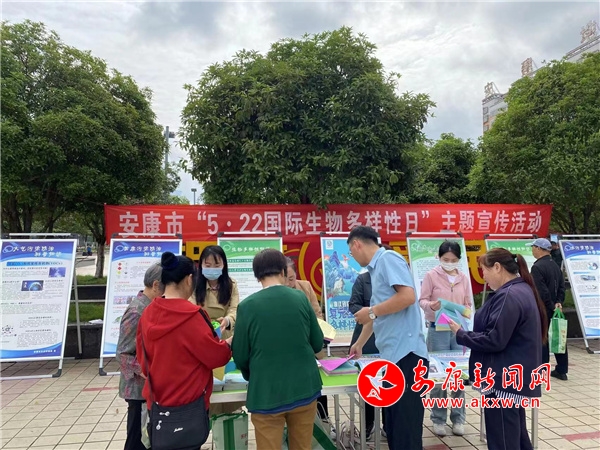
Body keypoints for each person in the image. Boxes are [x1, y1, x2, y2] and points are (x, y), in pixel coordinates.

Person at [448, 248, 548, 450]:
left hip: (502, 381)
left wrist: (461, 334)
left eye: (484, 270)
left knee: (502, 439)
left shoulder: (508, 296)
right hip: (512, 378)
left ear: (497, 267)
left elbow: (494, 339)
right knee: (516, 436)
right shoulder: (521, 289)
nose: (483, 276)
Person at [232, 249, 324, 450]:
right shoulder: (300, 298)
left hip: (266, 393)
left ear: (257, 276)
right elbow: (317, 343)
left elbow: (240, 355)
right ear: (283, 271)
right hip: (304, 388)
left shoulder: (247, 306)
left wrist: (252, 374)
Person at [348, 226, 429, 450]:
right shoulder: (375, 270)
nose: (353, 258)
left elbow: (408, 296)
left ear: (357, 244)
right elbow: (378, 313)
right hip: (393, 358)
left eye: (351, 253)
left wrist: (371, 311)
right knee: (393, 427)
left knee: (406, 430)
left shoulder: (388, 259)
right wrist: (359, 343)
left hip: (407, 356)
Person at [136, 252, 232, 438]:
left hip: (158, 404)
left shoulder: (147, 313)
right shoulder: (193, 316)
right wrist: (229, 343)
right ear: (189, 279)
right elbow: (215, 357)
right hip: (189, 405)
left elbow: (143, 360)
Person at [419, 241, 471, 437]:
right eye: (446, 259)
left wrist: (466, 311)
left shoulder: (463, 278)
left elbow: (467, 303)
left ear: (459, 260)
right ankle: (438, 419)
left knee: (459, 374)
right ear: (439, 258)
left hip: (458, 330)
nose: (449, 263)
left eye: (453, 260)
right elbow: (422, 300)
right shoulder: (431, 275)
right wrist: (430, 306)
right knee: (439, 375)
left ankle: (458, 418)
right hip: (437, 328)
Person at [116, 264, 164, 450]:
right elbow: (122, 354)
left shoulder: (150, 307)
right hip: (137, 390)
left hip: (149, 388)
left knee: (147, 439)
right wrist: (147, 370)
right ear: (156, 285)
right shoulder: (137, 311)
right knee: (137, 440)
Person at [348, 270, 387, 440]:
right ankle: (368, 424)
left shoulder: (394, 282)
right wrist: (371, 312)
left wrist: (378, 311)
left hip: (388, 335)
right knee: (369, 383)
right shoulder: (363, 279)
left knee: (389, 382)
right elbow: (353, 305)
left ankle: (388, 425)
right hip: (367, 338)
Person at [528, 238, 568, 381]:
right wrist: (558, 302)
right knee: (559, 338)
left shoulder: (537, 267)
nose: (532, 250)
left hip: (544, 309)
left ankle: (542, 370)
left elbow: (541, 291)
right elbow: (562, 287)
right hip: (556, 308)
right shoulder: (555, 265)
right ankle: (562, 370)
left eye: (533, 247)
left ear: (539, 249)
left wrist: (550, 305)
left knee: (542, 339)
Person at [192, 245, 239, 340]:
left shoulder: (231, 284)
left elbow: (234, 308)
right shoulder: (193, 284)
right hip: (201, 332)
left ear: (223, 265)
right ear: (201, 265)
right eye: (208, 266)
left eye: (217, 266)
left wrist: (227, 320)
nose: (212, 269)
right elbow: (190, 307)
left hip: (224, 333)